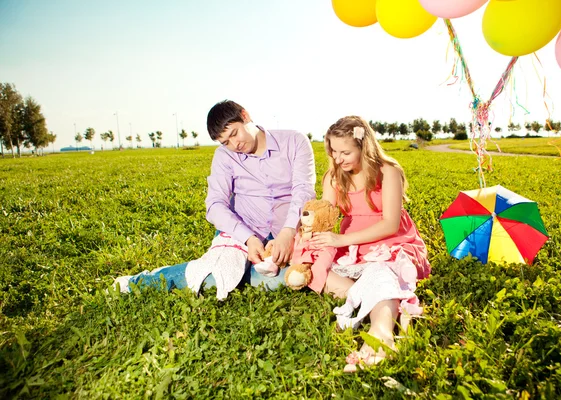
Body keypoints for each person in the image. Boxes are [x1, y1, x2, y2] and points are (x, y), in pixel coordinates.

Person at [112, 100, 316, 296]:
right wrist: (248, 238)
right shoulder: (224, 156)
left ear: (245, 116)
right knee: (213, 279)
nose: (235, 145)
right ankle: (141, 281)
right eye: (226, 142)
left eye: (234, 134)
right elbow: (214, 205)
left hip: (292, 229)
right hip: (245, 232)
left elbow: (303, 190)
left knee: (288, 280)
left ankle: (237, 272)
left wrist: (288, 232)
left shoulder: (294, 141)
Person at [309, 116, 431, 371]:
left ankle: (381, 331)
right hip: (352, 245)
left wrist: (342, 239)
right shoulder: (334, 175)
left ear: (363, 147)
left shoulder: (388, 171)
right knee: (313, 266)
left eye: (345, 152)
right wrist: (312, 228)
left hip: (388, 240)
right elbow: (327, 213)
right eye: (333, 151)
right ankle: (378, 299)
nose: (338, 158)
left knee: (380, 270)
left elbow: (390, 224)